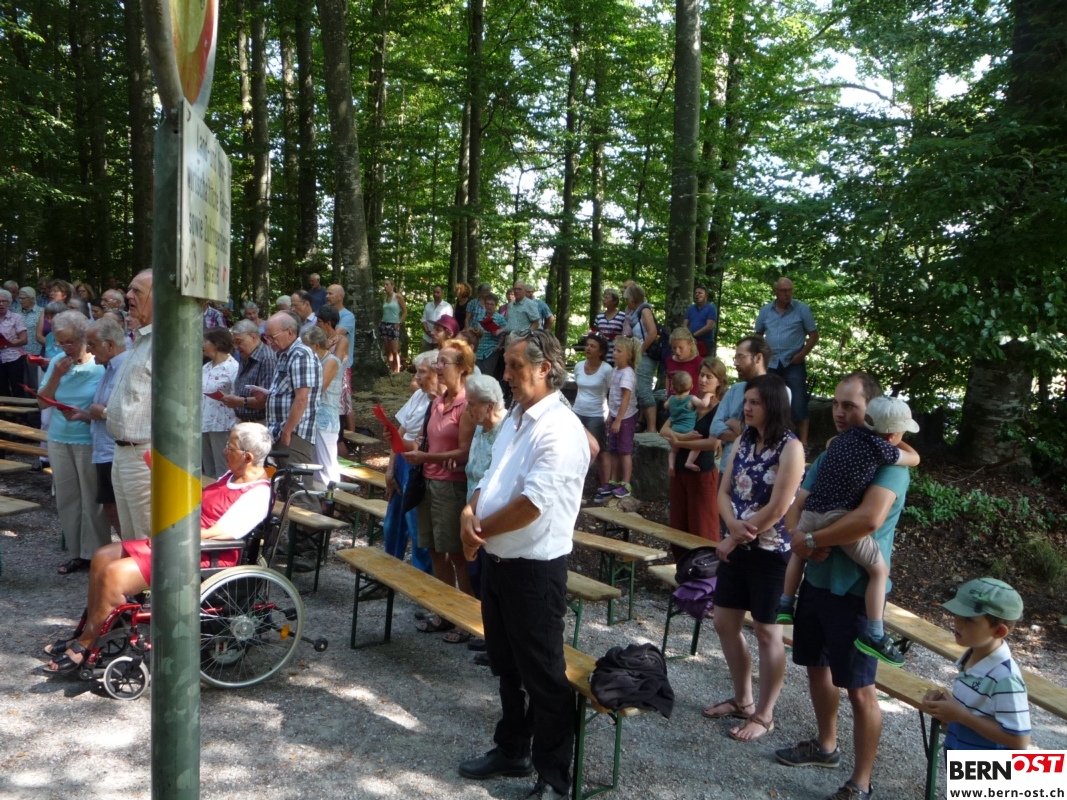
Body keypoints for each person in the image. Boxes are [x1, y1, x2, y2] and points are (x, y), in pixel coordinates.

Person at [457, 329, 591, 800]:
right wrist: (469, 511)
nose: (507, 375)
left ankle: (554, 778)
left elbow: (532, 504)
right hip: (499, 562)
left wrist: (477, 531)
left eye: (515, 366)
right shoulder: (516, 417)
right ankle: (512, 748)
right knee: (507, 667)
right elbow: (491, 477)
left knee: (545, 676)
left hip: (534, 570)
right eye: (507, 366)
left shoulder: (561, 429)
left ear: (544, 368)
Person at [774, 371, 912, 800]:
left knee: (860, 687)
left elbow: (868, 520)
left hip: (854, 592)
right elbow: (798, 502)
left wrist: (812, 540)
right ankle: (826, 746)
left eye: (849, 406)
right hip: (817, 582)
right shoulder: (833, 453)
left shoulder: (889, 465)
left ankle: (861, 782)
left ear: (872, 411)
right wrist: (797, 536)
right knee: (816, 666)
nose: (838, 412)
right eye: (835, 403)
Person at [41, 423, 274, 675]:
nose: (224, 450)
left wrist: (176, 531)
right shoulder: (231, 477)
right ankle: (94, 628)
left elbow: (221, 533)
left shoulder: (258, 494)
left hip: (205, 554)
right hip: (182, 542)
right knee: (102, 556)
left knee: (113, 574)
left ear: (247, 457)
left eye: (230, 447)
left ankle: (87, 643)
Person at [777, 395, 921, 667]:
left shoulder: (839, 441)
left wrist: (805, 538)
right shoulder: (883, 452)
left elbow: (800, 502)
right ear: (893, 435)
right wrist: (894, 441)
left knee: (798, 554)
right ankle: (875, 633)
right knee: (878, 571)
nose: (839, 411)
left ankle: (784, 603)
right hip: (838, 517)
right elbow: (914, 458)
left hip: (812, 513)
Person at [704, 373, 804, 743]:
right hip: (738, 545)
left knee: (767, 632)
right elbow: (723, 490)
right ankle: (742, 700)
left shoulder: (791, 447)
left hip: (772, 553)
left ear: (773, 406)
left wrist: (735, 536)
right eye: (746, 401)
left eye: (755, 403)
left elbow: (780, 506)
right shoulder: (745, 439)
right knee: (724, 623)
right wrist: (732, 527)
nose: (746, 408)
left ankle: (765, 714)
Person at [403, 338, 475, 632]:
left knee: (457, 555)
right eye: (437, 362)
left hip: (451, 488)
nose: (438, 367)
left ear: (463, 368)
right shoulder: (436, 402)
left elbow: (465, 452)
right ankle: (445, 612)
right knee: (434, 550)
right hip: (428, 483)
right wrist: (412, 448)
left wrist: (427, 457)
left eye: (444, 362)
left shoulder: (467, 404)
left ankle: (467, 619)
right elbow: (428, 442)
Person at [922, 577, 1030, 751]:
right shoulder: (970, 658)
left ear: (999, 631)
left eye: (969, 619)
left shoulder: (1005, 678)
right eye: (957, 614)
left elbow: (1019, 740)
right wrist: (946, 707)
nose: (957, 623)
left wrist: (961, 716)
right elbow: (973, 711)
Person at [40, 311, 109, 574]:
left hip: (89, 439)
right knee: (67, 497)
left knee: (93, 499)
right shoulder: (57, 362)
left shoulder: (100, 365)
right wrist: (56, 376)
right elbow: (41, 402)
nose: (64, 348)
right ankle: (76, 553)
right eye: (60, 342)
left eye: (69, 342)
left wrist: (85, 415)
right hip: (59, 437)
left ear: (83, 338)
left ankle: (97, 555)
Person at [660, 357, 727, 552]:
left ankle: (704, 569)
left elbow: (712, 443)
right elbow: (663, 430)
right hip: (678, 472)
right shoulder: (688, 401)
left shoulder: (720, 408)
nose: (703, 380)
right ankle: (681, 567)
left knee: (703, 530)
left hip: (701, 474)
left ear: (719, 381)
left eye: (709, 377)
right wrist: (683, 437)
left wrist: (679, 442)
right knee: (678, 527)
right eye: (701, 375)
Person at [106, 269, 154, 541]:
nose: (128, 295)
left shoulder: (166, 345)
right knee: (129, 536)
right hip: (122, 452)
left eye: (137, 291)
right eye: (130, 289)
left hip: (144, 455)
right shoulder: (140, 339)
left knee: (145, 538)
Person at [70, 317, 127, 539]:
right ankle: (130, 550)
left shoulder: (126, 368)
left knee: (119, 508)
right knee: (111, 505)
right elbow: (103, 413)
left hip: (117, 450)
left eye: (92, 345)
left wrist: (102, 412)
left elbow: (136, 413)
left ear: (110, 345)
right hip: (105, 449)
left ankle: (135, 553)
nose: (89, 351)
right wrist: (85, 415)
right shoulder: (109, 368)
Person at [382, 351, 437, 575]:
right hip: (403, 461)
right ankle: (387, 574)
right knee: (393, 523)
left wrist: (402, 445)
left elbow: (420, 445)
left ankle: (421, 581)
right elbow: (400, 432)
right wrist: (390, 468)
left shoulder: (440, 402)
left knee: (417, 528)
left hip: (420, 465)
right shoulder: (419, 396)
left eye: (422, 372)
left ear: (437, 372)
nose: (416, 378)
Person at [755, 277, 819, 447]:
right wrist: (762, 354)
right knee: (771, 401)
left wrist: (802, 354)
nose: (787, 294)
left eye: (790, 290)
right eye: (783, 290)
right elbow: (758, 334)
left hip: (793, 363)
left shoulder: (802, 309)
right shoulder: (766, 311)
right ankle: (770, 440)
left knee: (799, 403)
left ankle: (803, 443)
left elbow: (814, 335)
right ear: (775, 291)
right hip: (772, 363)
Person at [254, 312, 321, 470]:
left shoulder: (301, 355)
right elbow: (288, 391)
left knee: (297, 482)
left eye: (272, 337)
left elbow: (302, 399)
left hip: (294, 434)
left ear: (290, 332)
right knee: (284, 481)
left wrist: (287, 432)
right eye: (265, 338)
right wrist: (269, 395)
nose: (269, 342)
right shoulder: (285, 354)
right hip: (282, 432)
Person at [711, 335, 773, 469]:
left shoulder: (779, 392)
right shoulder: (735, 390)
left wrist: (731, 422)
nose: (735, 363)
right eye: (735, 358)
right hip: (727, 467)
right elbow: (714, 428)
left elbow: (768, 433)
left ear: (758, 358)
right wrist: (748, 432)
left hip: (757, 472)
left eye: (740, 357)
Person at [595, 335, 640, 501]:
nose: (614, 353)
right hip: (615, 415)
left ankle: (626, 484)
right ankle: (613, 481)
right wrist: (610, 415)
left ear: (629, 355)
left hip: (625, 417)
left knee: (624, 450)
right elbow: (611, 395)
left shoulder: (627, 373)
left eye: (619, 351)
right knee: (613, 449)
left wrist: (619, 419)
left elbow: (626, 398)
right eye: (614, 350)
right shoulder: (615, 371)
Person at [572, 334, 613, 494]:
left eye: (592, 346)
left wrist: (611, 415)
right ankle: (574, 486)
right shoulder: (578, 366)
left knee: (600, 451)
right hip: (577, 412)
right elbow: (578, 388)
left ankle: (605, 487)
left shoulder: (607, 369)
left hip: (597, 415)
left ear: (601, 351)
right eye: (587, 345)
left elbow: (612, 392)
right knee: (575, 449)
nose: (588, 348)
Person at [302, 326, 342, 489]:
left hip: (326, 418)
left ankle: (332, 496)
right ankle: (319, 495)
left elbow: (320, 387)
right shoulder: (316, 361)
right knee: (315, 461)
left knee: (327, 461)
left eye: (307, 346)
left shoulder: (331, 361)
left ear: (316, 345)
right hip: (314, 416)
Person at [221, 319, 276, 424]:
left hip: (260, 423)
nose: (236, 347)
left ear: (253, 337)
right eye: (234, 343)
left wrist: (240, 402)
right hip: (243, 421)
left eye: (238, 341)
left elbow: (267, 399)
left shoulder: (267, 358)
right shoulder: (245, 354)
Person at [621, 282, 659, 434]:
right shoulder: (634, 312)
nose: (626, 302)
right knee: (639, 389)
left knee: (643, 390)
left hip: (647, 355)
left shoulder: (645, 311)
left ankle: (652, 429)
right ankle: (643, 422)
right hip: (640, 354)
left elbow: (653, 333)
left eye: (627, 299)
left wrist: (640, 351)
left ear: (634, 299)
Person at [201, 327, 239, 479]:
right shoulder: (205, 367)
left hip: (222, 425)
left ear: (216, 344)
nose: (202, 345)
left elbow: (237, 395)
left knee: (222, 469)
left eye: (205, 341)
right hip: (203, 424)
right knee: (207, 470)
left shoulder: (233, 367)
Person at [662, 370, 715, 475]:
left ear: (673, 388)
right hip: (688, 430)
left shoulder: (671, 399)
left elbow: (665, 406)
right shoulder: (691, 399)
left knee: (674, 451)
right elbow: (703, 404)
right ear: (691, 386)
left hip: (674, 429)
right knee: (697, 446)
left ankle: (671, 465)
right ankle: (689, 462)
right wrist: (708, 396)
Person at [0, 289, 29, 397]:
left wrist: (6, 344)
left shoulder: (16, 317)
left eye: (4, 301)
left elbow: (24, 339)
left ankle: (20, 408)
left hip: (13, 358)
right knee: (1, 389)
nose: (1, 304)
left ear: (9, 302)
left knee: (17, 388)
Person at [472, 293, 506, 376]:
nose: (489, 306)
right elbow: (475, 330)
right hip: (479, 350)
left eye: (492, 304)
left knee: (487, 375)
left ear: (496, 305)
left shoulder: (500, 318)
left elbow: (506, 332)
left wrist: (498, 346)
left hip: (491, 350)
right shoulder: (480, 316)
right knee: (477, 373)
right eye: (487, 304)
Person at [16, 286, 42, 390]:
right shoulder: (16, 313)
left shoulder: (41, 312)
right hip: (19, 353)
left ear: (32, 298)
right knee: (23, 382)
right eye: (19, 298)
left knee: (35, 382)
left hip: (35, 353)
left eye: (23, 298)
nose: (20, 300)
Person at [380, 279, 407, 373]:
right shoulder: (385, 298)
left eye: (387, 284)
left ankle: (397, 371)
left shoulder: (398, 296)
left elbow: (405, 312)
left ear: (392, 285)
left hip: (394, 324)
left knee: (394, 350)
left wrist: (399, 323)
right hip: (384, 324)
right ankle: (391, 370)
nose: (385, 286)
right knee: (388, 350)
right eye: (384, 284)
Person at [593, 287, 625, 365]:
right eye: (603, 297)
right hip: (601, 354)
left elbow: (627, 335)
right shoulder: (599, 316)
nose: (603, 300)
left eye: (607, 298)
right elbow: (595, 334)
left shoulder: (622, 316)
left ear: (615, 301)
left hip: (616, 354)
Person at [685, 284, 718, 356]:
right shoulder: (691, 308)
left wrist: (693, 335)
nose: (697, 295)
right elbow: (685, 324)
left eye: (700, 293)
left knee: (704, 361)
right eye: (696, 293)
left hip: (705, 342)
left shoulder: (711, 308)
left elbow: (709, 326)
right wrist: (689, 336)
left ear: (706, 295)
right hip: (691, 341)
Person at [420, 285, 452, 352]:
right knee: (424, 356)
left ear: (442, 293)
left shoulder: (447, 306)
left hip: (440, 340)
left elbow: (448, 324)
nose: (435, 294)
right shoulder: (428, 305)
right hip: (427, 338)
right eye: (434, 292)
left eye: (438, 292)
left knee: (438, 357)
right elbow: (423, 320)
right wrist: (427, 331)